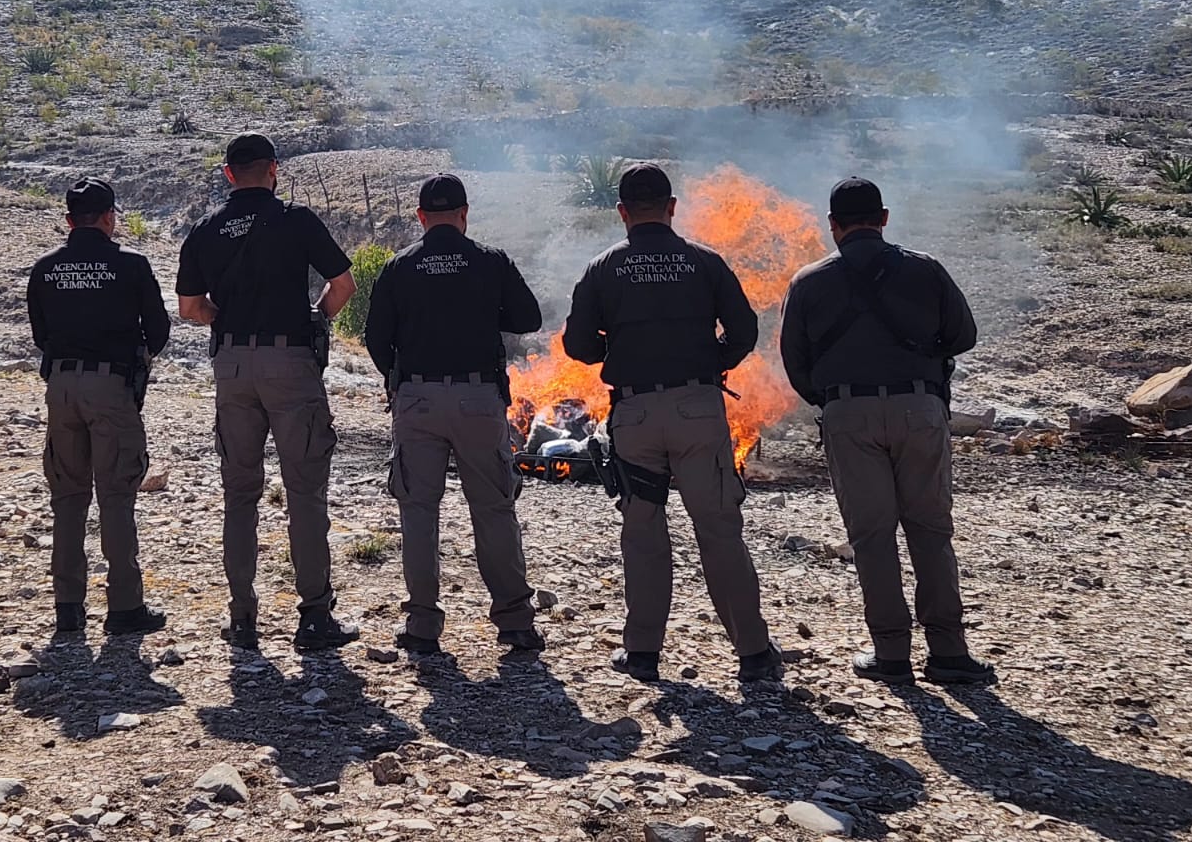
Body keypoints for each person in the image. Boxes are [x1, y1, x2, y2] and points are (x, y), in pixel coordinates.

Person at [561, 162, 782, 685]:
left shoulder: (603, 267)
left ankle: (641, 653)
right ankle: (752, 654)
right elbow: (746, 328)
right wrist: (714, 360)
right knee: (720, 529)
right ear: (671, 206)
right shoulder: (703, 262)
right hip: (698, 410)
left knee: (642, 531)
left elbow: (576, 345)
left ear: (621, 213)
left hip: (635, 413)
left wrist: (611, 347)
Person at [779, 177, 991, 686]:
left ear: (832, 225)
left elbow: (795, 360)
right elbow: (964, 336)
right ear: (885, 217)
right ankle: (949, 652)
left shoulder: (808, 281)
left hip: (848, 413)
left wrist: (832, 401)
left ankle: (891, 654)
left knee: (872, 536)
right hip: (920, 408)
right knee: (931, 530)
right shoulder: (925, 269)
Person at [176, 132, 359, 652]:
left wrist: (224, 320)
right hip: (290, 361)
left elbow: (190, 307)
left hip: (232, 364)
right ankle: (314, 616)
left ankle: (242, 618)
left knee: (240, 493)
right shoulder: (294, 220)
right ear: (273, 170)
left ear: (229, 174)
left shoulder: (206, 229)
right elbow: (343, 283)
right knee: (304, 491)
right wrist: (315, 319)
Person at [363, 173, 545, 656]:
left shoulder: (400, 266)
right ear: (464, 215)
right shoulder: (489, 261)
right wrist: (485, 311)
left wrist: (397, 380)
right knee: (493, 507)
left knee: (418, 511)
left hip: (417, 400)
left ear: (421, 218)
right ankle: (515, 622)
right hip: (478, 400)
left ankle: (422, 624)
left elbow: (375, 337)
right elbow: (529, 317)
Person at [27, 177, 171, 636]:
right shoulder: (130, 265)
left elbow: (40, 334)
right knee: (116, 495)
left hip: (62, 385)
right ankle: (124, 608)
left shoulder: (45, 268)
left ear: (69, 221)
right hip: (112, 386)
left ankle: (68, 607)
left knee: (67, 496)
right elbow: (159, 330)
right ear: (110, 217)